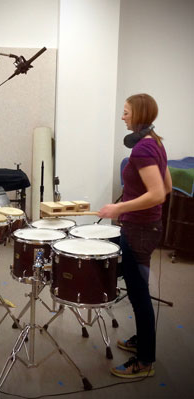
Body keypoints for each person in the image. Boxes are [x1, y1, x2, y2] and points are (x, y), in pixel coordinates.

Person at [98, 93, 172, 378]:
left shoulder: (142, 150)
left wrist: (118, 207)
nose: (123, 116)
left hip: (140, 230)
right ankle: (142, 341)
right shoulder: (154, 142)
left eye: (126, 112)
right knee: (137, 289)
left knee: (139, 294)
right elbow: (166, 187)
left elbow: (156, 194)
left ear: (139, 114)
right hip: (145, 227)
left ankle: (145, 361)